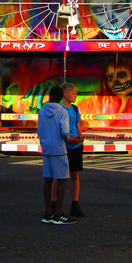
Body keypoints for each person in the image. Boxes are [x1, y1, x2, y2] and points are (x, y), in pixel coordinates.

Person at [38, 86, 74, 224]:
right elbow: (65, 132)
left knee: (48, 180)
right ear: (61, 97)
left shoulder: (42, 112)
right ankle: (58, 213)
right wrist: (69, 138)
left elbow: (40, 130)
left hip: (46, 148)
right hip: (59, 149)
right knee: (62, 179)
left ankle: (48, 212)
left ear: (50, 95)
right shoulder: (62, 112)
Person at [59, 83, 84, 217]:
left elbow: (77, 124)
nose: (75, 96)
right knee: (59, 176)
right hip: (64, 146)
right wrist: (68, 139)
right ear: (66, 94)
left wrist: (80, 136)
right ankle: (55, 204)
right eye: (73, 93)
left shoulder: (74, 108)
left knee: (75, 175)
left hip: (76, 146)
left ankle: (75, 203)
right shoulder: (59, 109)